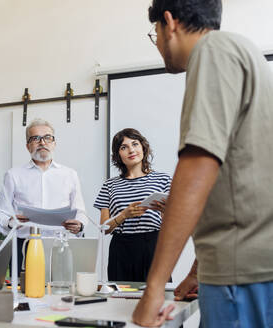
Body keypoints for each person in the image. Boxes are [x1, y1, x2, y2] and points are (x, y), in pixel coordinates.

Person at [132, 0, 273, 326]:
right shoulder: (240, 51)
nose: (159, 46)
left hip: (241, 277)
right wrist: (197, 270)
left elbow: (198, 168)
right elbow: (236, 182)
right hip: (249, 270)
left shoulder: (213, 52)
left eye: (155, 34)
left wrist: (153, 290)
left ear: (170, 23)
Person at [0, 118, 88, 274]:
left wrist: (79, 225)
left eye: (47, 137)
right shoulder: (13, 175)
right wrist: (11, 222)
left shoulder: (70, 174)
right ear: (27, 146)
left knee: (61, 293)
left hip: (62, 246)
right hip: (24, 246)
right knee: (26, 294)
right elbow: (0, 214)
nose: (42, 142)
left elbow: (81, 213)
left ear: (54, 143)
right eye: (35, 138)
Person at [94, 128, 171, 282]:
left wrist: (167, 211)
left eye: (135, 144)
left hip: (153, 245)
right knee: (121, 299)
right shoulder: (109, 185)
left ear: (143, 147)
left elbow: (173, 225)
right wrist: (124, 215)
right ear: (118, 155)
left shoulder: (163, 179)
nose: (131, 150)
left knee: (155, 297)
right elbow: (104, 228)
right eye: (124, 147)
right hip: (121, 249)